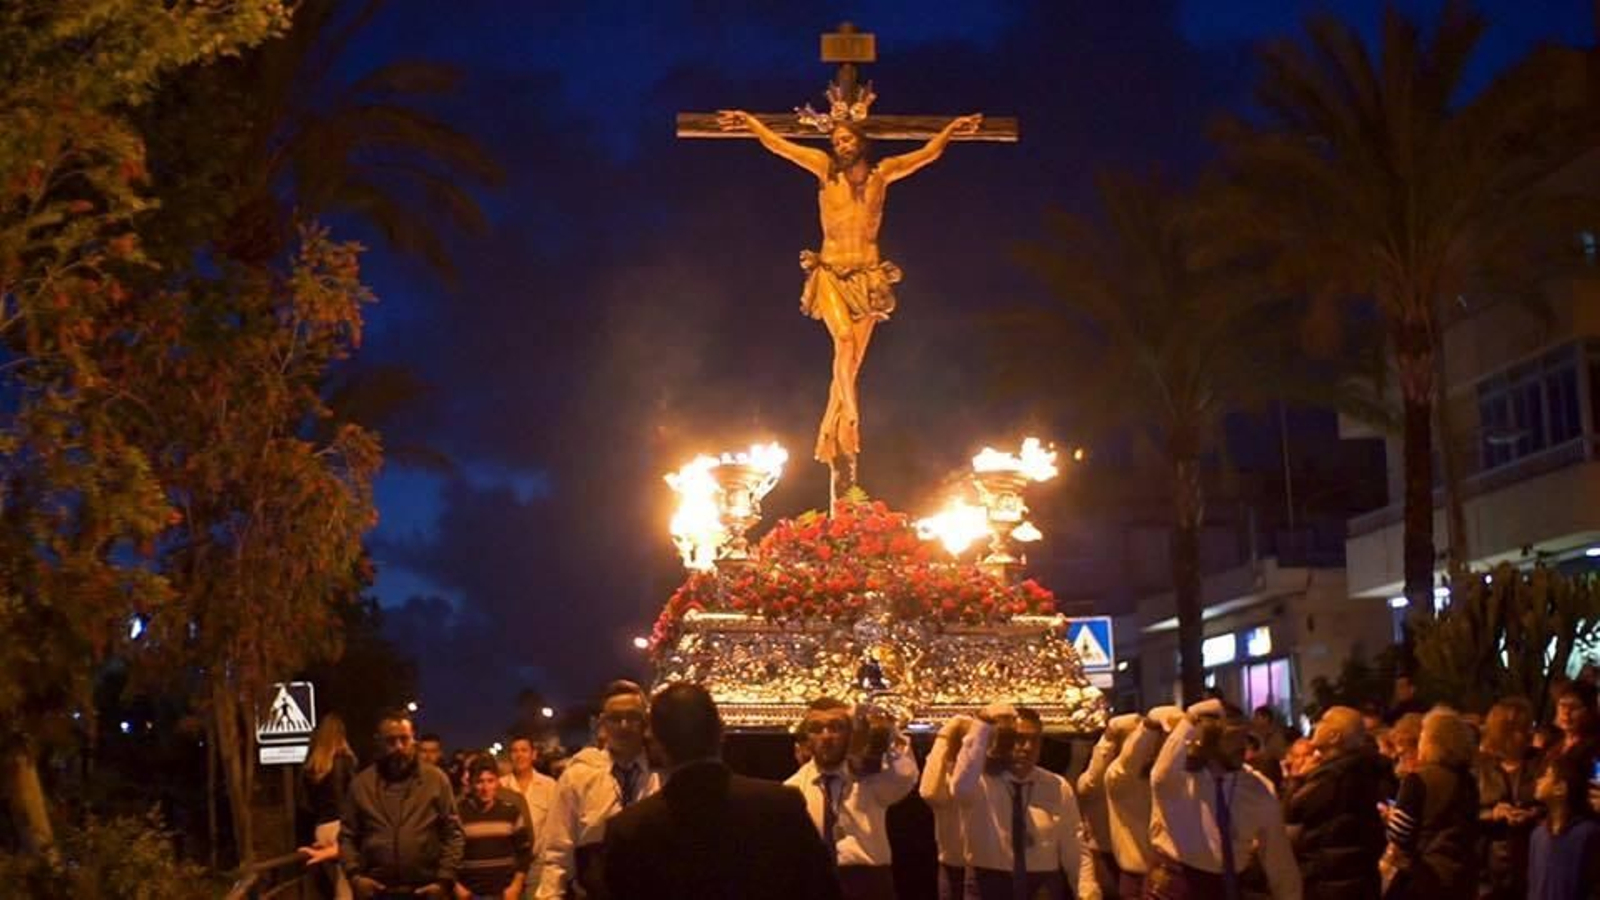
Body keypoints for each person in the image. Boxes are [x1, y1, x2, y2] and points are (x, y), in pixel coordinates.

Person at [715, 104, 981, 491]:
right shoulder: (824, 170)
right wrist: (751, 122)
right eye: (836, 139)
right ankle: (852, 415)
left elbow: (927, 154)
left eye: (846, 139)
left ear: (860, 142)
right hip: (831, 273)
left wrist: (953, 126)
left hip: (868, 278)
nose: (840, 144)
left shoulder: (882, 174)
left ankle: (830, 424)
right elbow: (780, 146)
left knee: (851, 359)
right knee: (842, 341)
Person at [601, 682, 842, 900]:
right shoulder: (781, 805)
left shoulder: (629, 830)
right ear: (721, 732)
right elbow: (822, 890)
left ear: (656, 743)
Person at [1146, 698, 1302, 899]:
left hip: (1227, 889)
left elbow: (1280, 862)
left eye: (1244, 736)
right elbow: (1160, 776)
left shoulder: (1258, 789)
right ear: (1208, 739)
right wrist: (1190, 719)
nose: (1241, 746)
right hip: (1175, 886)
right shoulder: (1181, 780)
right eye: (1232, 737)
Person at [949, 703, 1091, 900]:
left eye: (1035, 740)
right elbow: (960, 787)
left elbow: (1075, 847)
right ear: (1001, 741)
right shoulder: (979, 781)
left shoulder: (1056, 785)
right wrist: (983, 724)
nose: (1027, 747)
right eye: (1018, 739)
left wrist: (1087, 891)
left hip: (1042, 886)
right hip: (989, 882)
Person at [785, 697, 918, 900]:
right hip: (815, 882)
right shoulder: (793, 788)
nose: (826, 736)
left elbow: (905, 777)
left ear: (850, 734)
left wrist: (885, 731)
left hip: (869, 883)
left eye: (836, 727)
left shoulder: (868, 779)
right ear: (806, 738)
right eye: (816, 729)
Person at [537, 680, 658, 899]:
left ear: (645, 721)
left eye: (632, 717)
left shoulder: (661, 775)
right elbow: (557, 853)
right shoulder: (579, 777)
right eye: (615, 718)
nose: (623, 725)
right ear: (602, 723)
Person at [339, 710, 464, 899]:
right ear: (379, 742)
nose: (398, 747)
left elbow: (453, 833)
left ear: (413, 740)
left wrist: (444, 880)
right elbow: (347, 836)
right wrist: (355, 877)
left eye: (404, 739)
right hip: (377, 892)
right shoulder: (361, 784)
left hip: (425, 891)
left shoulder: (436, 780)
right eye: (391, 741)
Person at [1282, 706, 1386, 900]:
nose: (1316, 724)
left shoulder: (1333, 776)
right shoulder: (1358, 768)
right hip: (1354, 880)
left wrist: (1296, 779)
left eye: (1323, 721)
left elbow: (1292, 811)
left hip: (1332, 882)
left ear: (1334, 736)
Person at [1379, 708, 1479, 899]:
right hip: (1462, 876)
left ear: (1432, 741)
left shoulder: (1419, 780)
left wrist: (1391, 818)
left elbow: (1399, 837)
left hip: (1425, 875)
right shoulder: (1468, 780)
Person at [1106, 706, 1182, 899]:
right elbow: (1130, 760)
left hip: (1178, 876)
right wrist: (1149, 728)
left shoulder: (1169, 776)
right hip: (1139, 878)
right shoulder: (1120, 777)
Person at [1474, 697, 1539, 900]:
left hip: (1529, 860)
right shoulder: (1480, 767)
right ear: (1505, 732)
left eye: (1530, 726)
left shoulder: (1540, 762)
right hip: (1487, 864)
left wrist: (1534, 813)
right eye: (1523, 728)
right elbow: (1463, 812)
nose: (1530, 734)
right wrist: (1492, 814)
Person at [1078, 714, 1140, 900]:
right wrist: (1109, 737)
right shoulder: (1093, 780)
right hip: (1104, 858)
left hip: (1136, 860)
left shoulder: (1142, 778)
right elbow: (1093, 781)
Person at [299, 713, 357, 900]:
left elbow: (306, 804)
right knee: (346, 887)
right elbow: (355, 797)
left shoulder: (312, 768)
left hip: (322, 829)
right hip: (342, 828)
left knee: (338, 886)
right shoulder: (346, 761)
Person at [1527, 751, 1600, 899]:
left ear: (1560, 788)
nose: (1538, 780)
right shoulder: (1537, 835)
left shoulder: (1588, 834)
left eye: (1546, 775)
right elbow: (1533, 886)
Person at [458, 756, 533, 900]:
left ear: (497, 782)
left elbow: (524, 853)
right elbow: (448, 854)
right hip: (470, 894)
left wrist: (516, 886)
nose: (485, 788)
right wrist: (457, 887)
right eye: (480, 782)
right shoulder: (459, 813)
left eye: (490, 781)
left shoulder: (511, 812)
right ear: (471, 783)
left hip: (505, 894)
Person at [920, 713, 976, 900]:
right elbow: (928, 792)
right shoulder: (943, 778)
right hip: (952, 865)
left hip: (985, 866)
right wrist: (945, 734)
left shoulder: (985, 776)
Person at [501, 736, 556, 897]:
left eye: (524, 750)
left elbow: (556, 825)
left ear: (534, 754)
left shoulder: (549, 785)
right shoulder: (501, 785)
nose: (519, 755)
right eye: (514, 751)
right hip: (509, 865)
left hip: (539, 864)